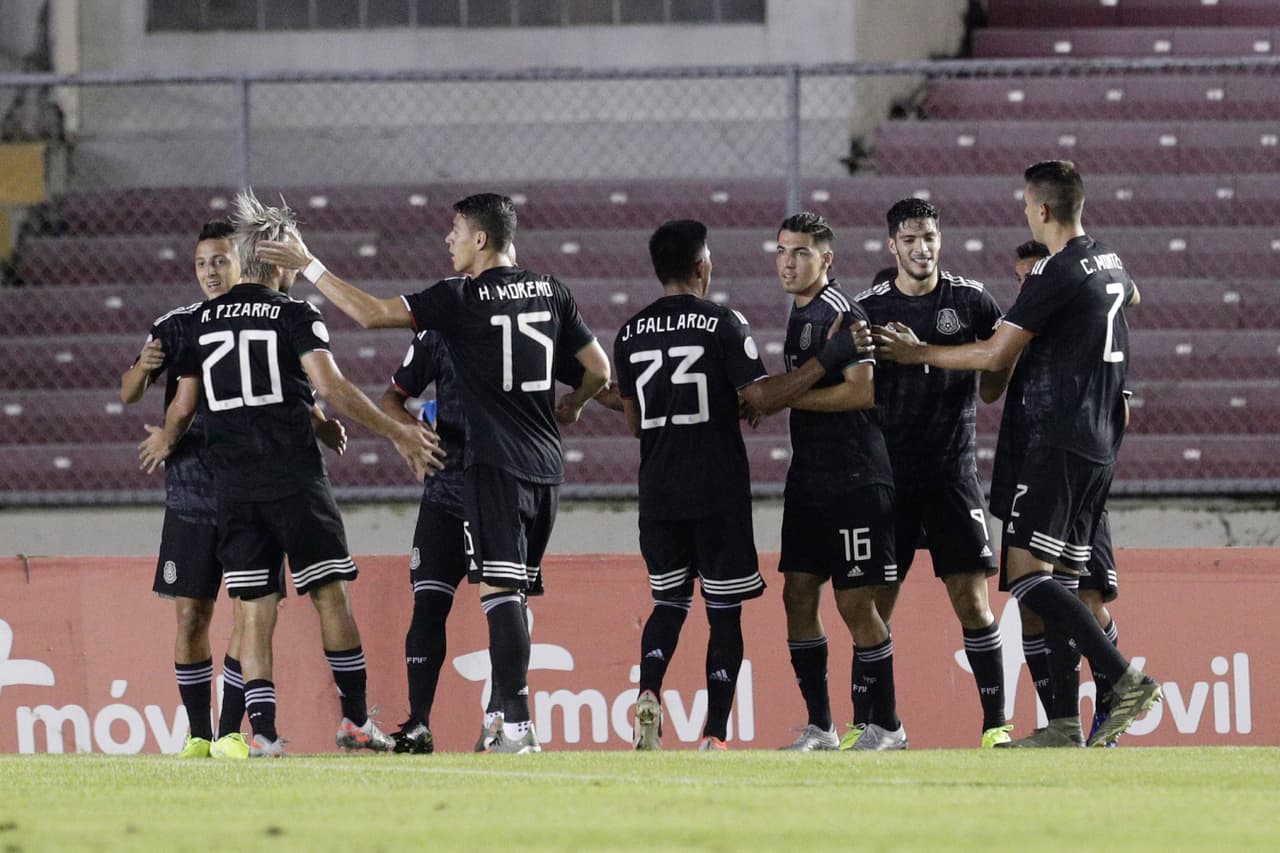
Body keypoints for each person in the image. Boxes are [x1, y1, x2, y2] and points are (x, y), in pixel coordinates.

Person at [256, 192, 611, 755]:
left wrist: (310, 265)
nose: (447, 240)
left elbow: (370, 313)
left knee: (499, 596)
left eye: (455, 231)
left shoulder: (461, 298)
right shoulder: (552, 290)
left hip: (492, 467)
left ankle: (516, 725)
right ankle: (498, 722)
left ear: (480, 239)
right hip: (546, 467)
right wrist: (575, 405)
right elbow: (598, 368)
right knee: (513, 597)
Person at [138, 190, 441, 757]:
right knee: (329, 596)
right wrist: (395, 429)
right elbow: (329, 387)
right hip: (295, 481)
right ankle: (353, 721)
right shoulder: (296, 314)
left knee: (252, 609)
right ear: (279, 262)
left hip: (233, 489)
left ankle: (266, 736)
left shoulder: (200, 322)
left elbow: (195, 401)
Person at [874, 160, 1160, 748]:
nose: (1025, 212)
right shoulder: (1110, 260)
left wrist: (916, 353)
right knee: (1060, 581)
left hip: (1059, 436)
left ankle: (1120, 676)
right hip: (1100, 440)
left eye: (1027, 205)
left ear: (1043, 210)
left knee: (1027, 578)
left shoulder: (1056, 271)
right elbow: (1130, 295)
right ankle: (1061, 725)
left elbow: (993, 356)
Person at [615, 218, 865, 751]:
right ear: (702, 266)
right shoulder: (723, 322)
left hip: (657, 489)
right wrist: (829, 358)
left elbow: (635, 419)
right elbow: (758, 398)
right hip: (715, 486)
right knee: (723, 614)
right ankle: (713, 735)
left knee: (668, 604)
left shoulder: (629, 332)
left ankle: (649, 693)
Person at [380, 330, 591, 754]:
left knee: (505, 603)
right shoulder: (441, 329)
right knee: (428, 605)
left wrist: (604, 398)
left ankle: (500, 718)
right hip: (445, 493)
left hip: (497, 491)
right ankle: (418, 723)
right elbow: (392, 399)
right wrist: (409, 433)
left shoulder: (524, 317)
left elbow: (590, 375)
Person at [851, 199, 1012, 749]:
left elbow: (1000, 355)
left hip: (951, 473)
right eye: (910, 239)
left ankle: (996, 728)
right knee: (875, 607)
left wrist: (985, 377)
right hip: (889, 478)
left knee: (972, 602)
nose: (922, 248)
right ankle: (877, 726)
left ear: (940, 239)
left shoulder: (969, 299)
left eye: (930, 237)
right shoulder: (867, 309)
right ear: (891, 245)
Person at [752, 213, 902, 752]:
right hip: (810, 479)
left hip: (855, 476)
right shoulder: (799, 314)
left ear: (826, 259)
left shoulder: (842, 313)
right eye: (781, 251)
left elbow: (862, 392)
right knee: (797, 595)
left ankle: (888, 725)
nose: (788, 262)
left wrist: (786, 396)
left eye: (800, 253)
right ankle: (821, 727)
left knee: (856, 605)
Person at [988, 239, 1126, 748]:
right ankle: (1062, 722)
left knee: (1084, 596)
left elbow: (1119, 407)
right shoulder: (1025, 334)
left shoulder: (1080, 333)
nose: (1030, 288)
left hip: (1075, 474)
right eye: (1022, 279)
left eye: (1037, 278)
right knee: (1037, 604)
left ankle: (1116, 690)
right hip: (1031, 476)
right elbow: (989, 388)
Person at [120, 220, 249, 759]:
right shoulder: (174, 326)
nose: (210, 272)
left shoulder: (262, 319)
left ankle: (233, 733)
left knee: (249, 614)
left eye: (220, 260)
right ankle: (198, 735)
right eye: (201, 263)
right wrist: (144, 369)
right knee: (192, 614)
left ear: (240, 262)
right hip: (190, 496)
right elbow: (128, 392)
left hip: (249, 491)